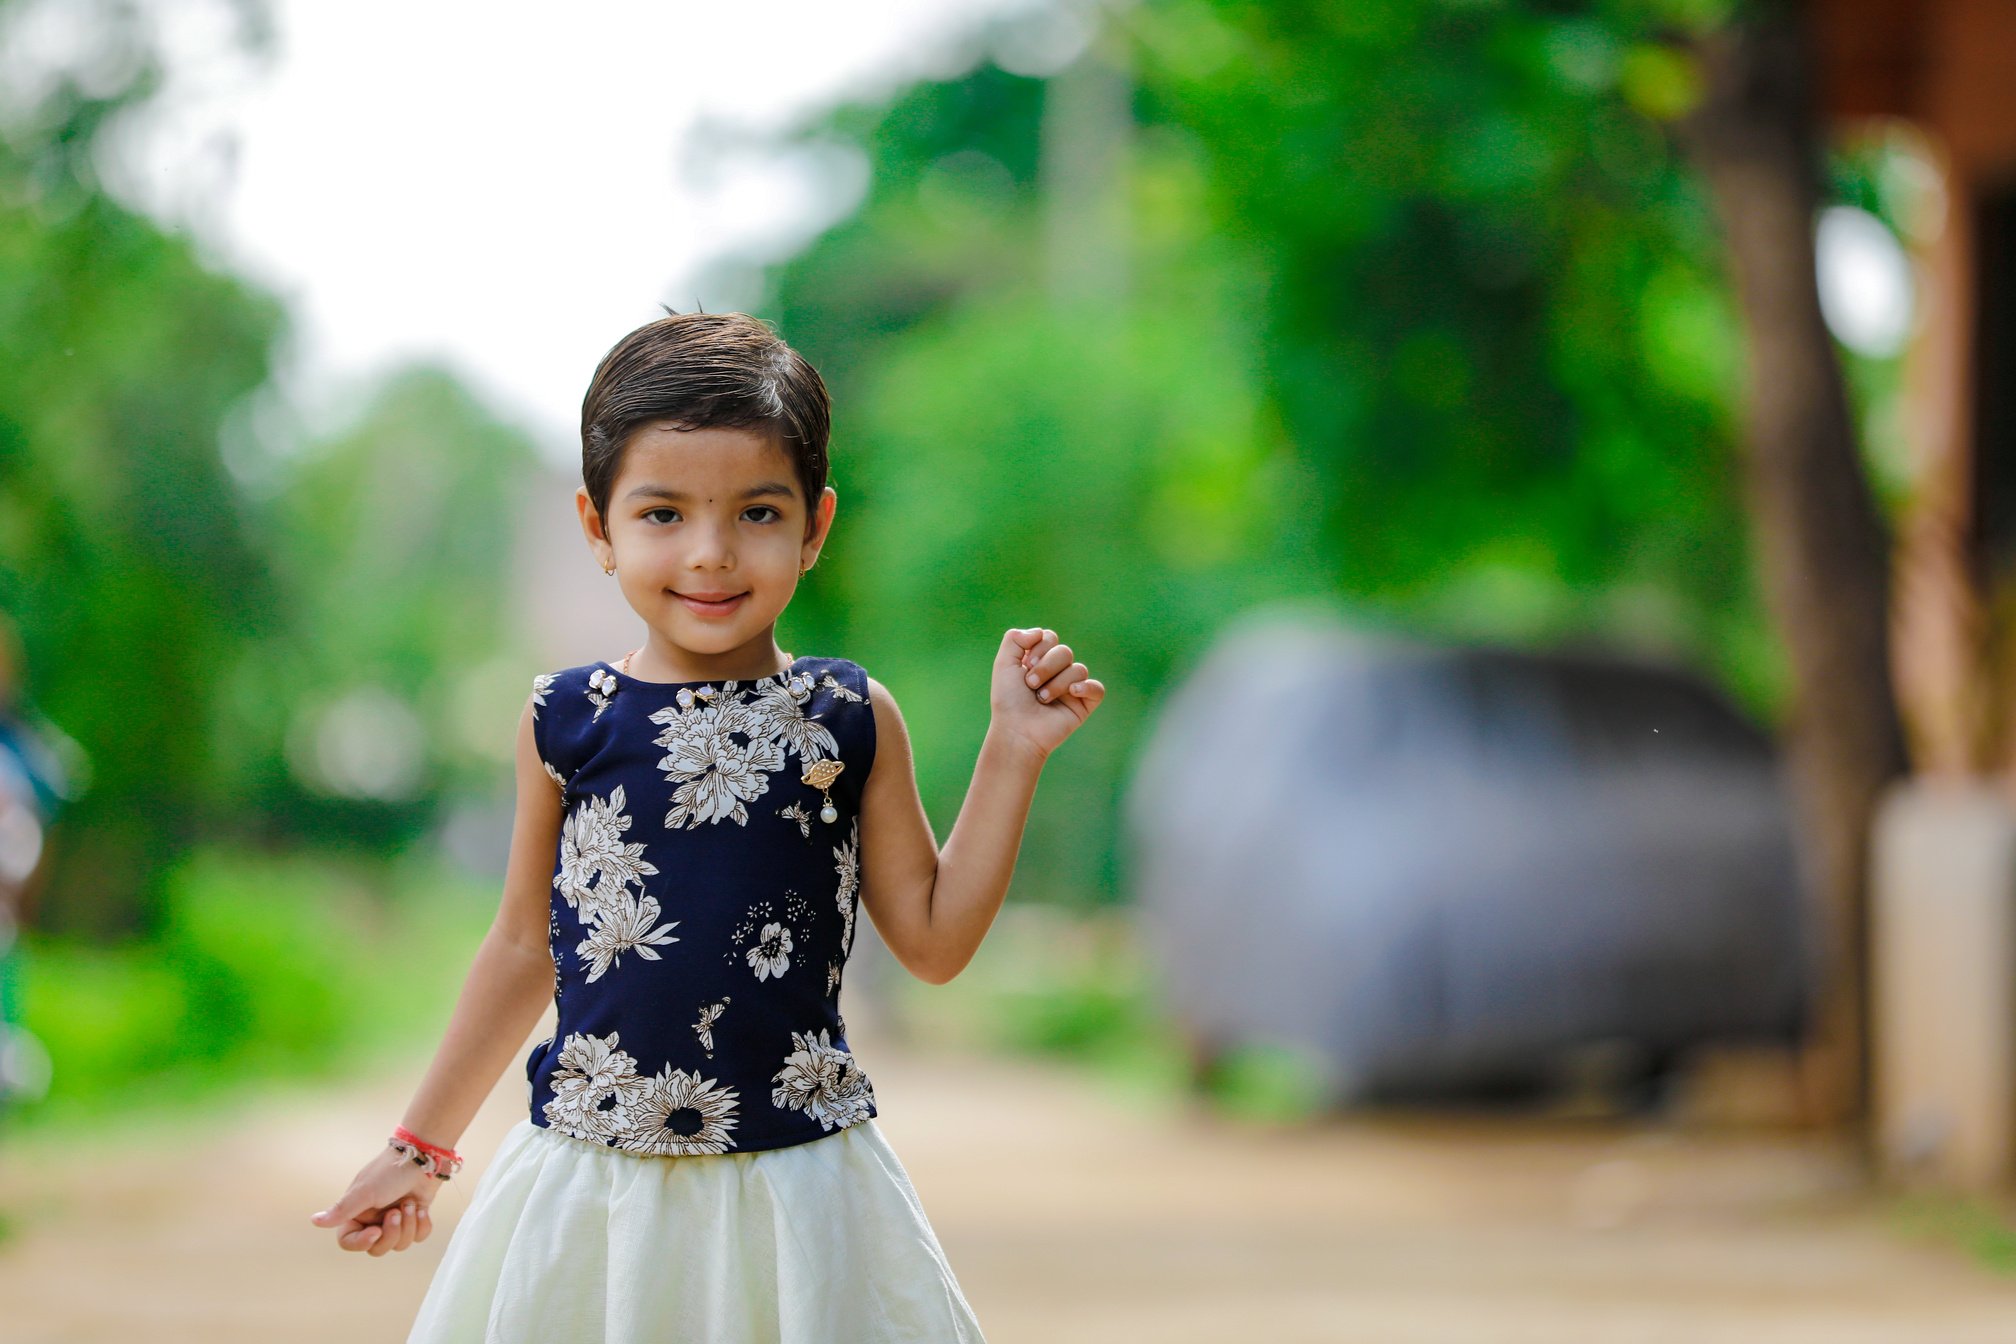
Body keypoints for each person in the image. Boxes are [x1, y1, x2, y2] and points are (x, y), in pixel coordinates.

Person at [308, 310, 1105, 1342]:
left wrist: (1013, 751)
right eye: (663, 514)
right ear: (598, 528)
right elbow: (521, 946)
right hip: (594, 1192)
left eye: (758, 514)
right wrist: (421, 1147)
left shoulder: (848, 717)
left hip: (806, 1193)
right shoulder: (567, 721)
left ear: (816, 527)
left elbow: (936, 940)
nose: (712, 554)